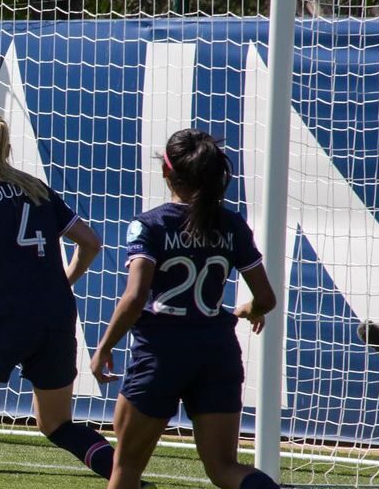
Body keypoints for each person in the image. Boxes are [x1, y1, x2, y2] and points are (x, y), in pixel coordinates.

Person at [0, 109, 130, 488]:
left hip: (6, 317)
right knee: (56, 424)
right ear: (7, 146)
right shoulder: (37, 189)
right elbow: (90, 242)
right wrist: (63, 281)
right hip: (55, 316)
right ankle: (128, 479)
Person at [90, 128, 279, 489]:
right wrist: (249, 309)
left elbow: (135, 297)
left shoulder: (150, 225)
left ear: (166, 172)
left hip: (160, 355)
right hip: (217, 353)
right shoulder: (232, 225)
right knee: (224, 468)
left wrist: (103, 349)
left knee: (126, 466)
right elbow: (267, 299)